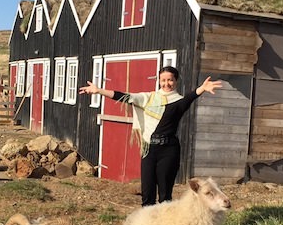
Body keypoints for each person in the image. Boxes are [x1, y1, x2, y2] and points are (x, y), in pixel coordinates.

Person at [79, 66, 222, 206]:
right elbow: (125, 97)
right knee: (147, 194)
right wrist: (99, 91)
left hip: (168, 151)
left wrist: (202, 89)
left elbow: (189, 98)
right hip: (149, 150)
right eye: (163, 80)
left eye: (170, 80)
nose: (166, 83)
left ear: (176, 81)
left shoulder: (178, 101)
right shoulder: (148, 98)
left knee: (165, 196)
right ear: (159, 81)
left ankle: (164, 221)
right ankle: (147, 221)